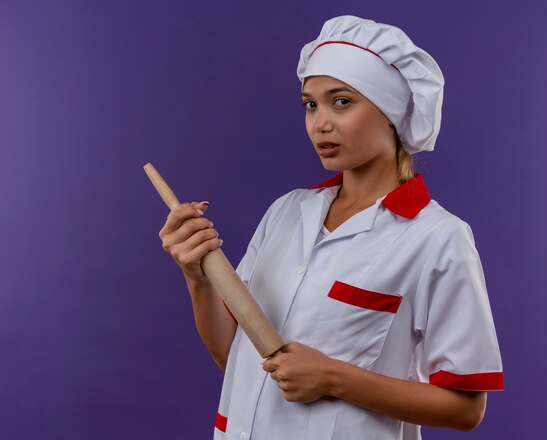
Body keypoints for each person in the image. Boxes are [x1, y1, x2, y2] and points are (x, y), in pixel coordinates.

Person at [158, 15, 503, 440]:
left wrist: (333, 378)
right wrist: (197, 278)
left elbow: (466, 408)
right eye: (311, 104)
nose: (319, 123)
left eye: (342, 101)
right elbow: (236, 357)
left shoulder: (437, 237)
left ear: (391, 111)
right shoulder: (286, 212)